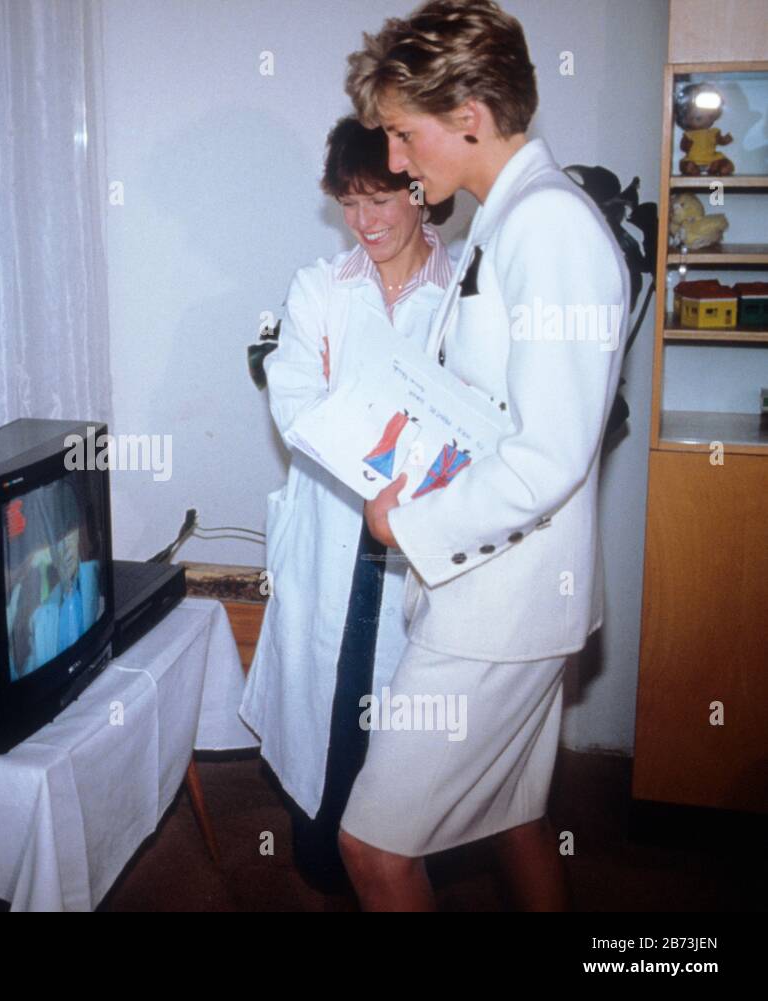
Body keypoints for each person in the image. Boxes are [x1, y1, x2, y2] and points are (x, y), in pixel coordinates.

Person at [337, 0, 628, 910]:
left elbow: (549, 456)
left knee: (373, 848)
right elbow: (498, 409)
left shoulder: (547, 228)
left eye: (400, 133)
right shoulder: (510, 218)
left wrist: (406, 517)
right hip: (514, 589)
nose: (392, 159)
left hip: (500, 606)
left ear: (468, 116)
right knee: (512, 814)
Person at [240, 116, 456, 890]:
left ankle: (402, 862)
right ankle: (330, 860)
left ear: (419, 190)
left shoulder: (464, 290)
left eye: (381, 200)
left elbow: (471, 415)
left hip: (427, 527)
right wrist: (387, 443)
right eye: (349, 203)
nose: (364, 223)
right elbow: (298, 407)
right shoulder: (318, 289)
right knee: (332, 699)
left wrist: (369, 427)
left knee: (409, 710)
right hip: (337, 526)